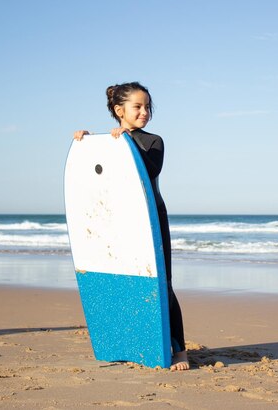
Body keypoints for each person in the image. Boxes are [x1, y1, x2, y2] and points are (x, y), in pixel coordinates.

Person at [73, 82, 189, 371]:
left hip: (150, 220)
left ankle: (180, 351)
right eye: (138, 106)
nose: (144, 112)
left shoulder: (153, 141)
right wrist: (85, 144)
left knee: (163, 284)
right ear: (119, 110)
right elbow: (91, 176)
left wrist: (127, 142)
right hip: (118, 222)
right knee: (124, 279)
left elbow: (147, 170)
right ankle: (128, 344)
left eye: (147, 106)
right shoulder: (109, 142)